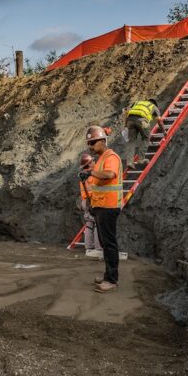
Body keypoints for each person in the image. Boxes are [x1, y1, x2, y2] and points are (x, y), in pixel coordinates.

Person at [80, 125, 122, 293]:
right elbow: (98, 183)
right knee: (105, 243)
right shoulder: (100, 160)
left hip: (109, 207)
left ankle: (112, 280)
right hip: (100, 206)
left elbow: (110, 175)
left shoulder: (111, 157)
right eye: (89, 143)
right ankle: (107, 276)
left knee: (110, 244)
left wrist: (91, 173)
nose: (90, 146)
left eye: (93, 142)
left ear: (103, 141)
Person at [123, 98, 166, 169]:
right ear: (154, 103)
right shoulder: (153, 107)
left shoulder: (137, 102)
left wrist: (125, 125)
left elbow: (127, 112)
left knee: (131, 141)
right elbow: (159, 121)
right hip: (142, 121)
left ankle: (130, 162)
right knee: (145, 138)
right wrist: (164, 131)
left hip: (130, 121)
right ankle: (141, 159)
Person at [78, 152, 102, 253]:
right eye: (92, 161)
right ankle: (98, 248)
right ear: (89, 164)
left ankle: (89, 246)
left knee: (89, 223)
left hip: (85, 201)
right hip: (92, 201)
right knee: (97, 224)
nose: (94, 162)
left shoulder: (83, 175)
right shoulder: (92, 175)